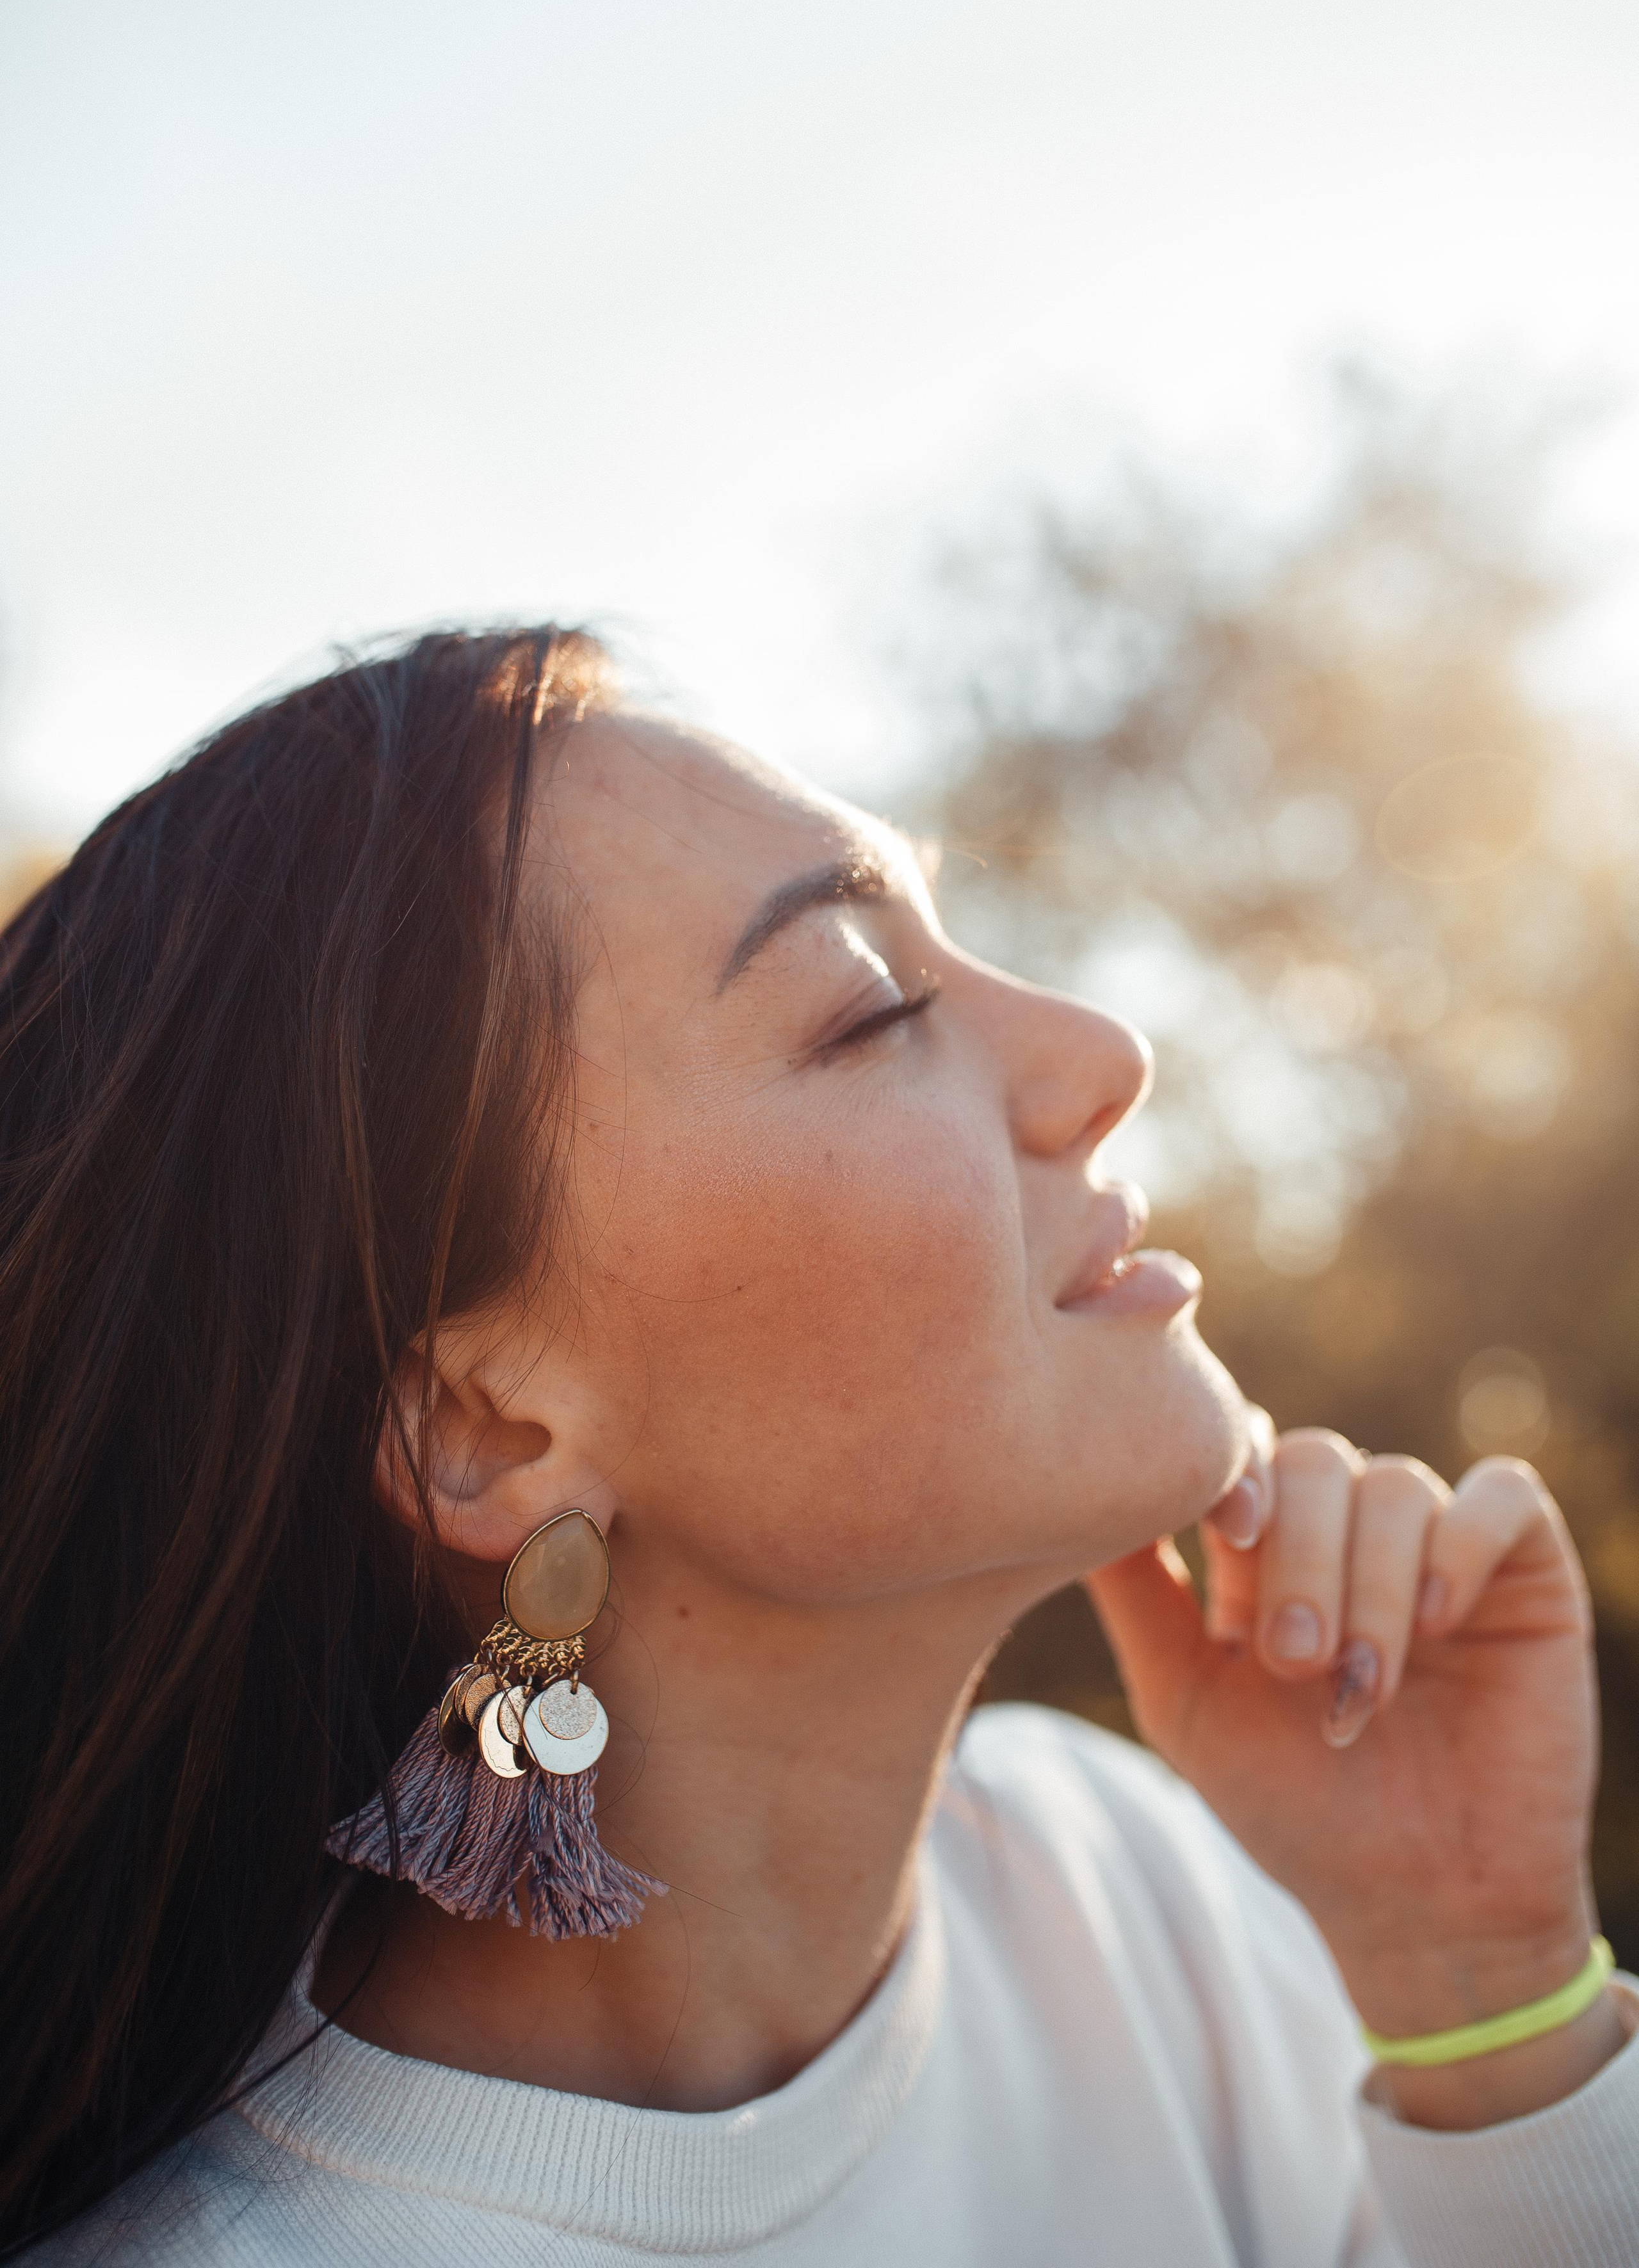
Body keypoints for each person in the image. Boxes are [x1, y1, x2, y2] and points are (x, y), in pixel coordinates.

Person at [2, 627, 1635, 2267]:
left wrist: (1480, 1988)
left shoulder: (1130, 1901)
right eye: (871, 1007)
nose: (1103, 1056)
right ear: (484, 1431)